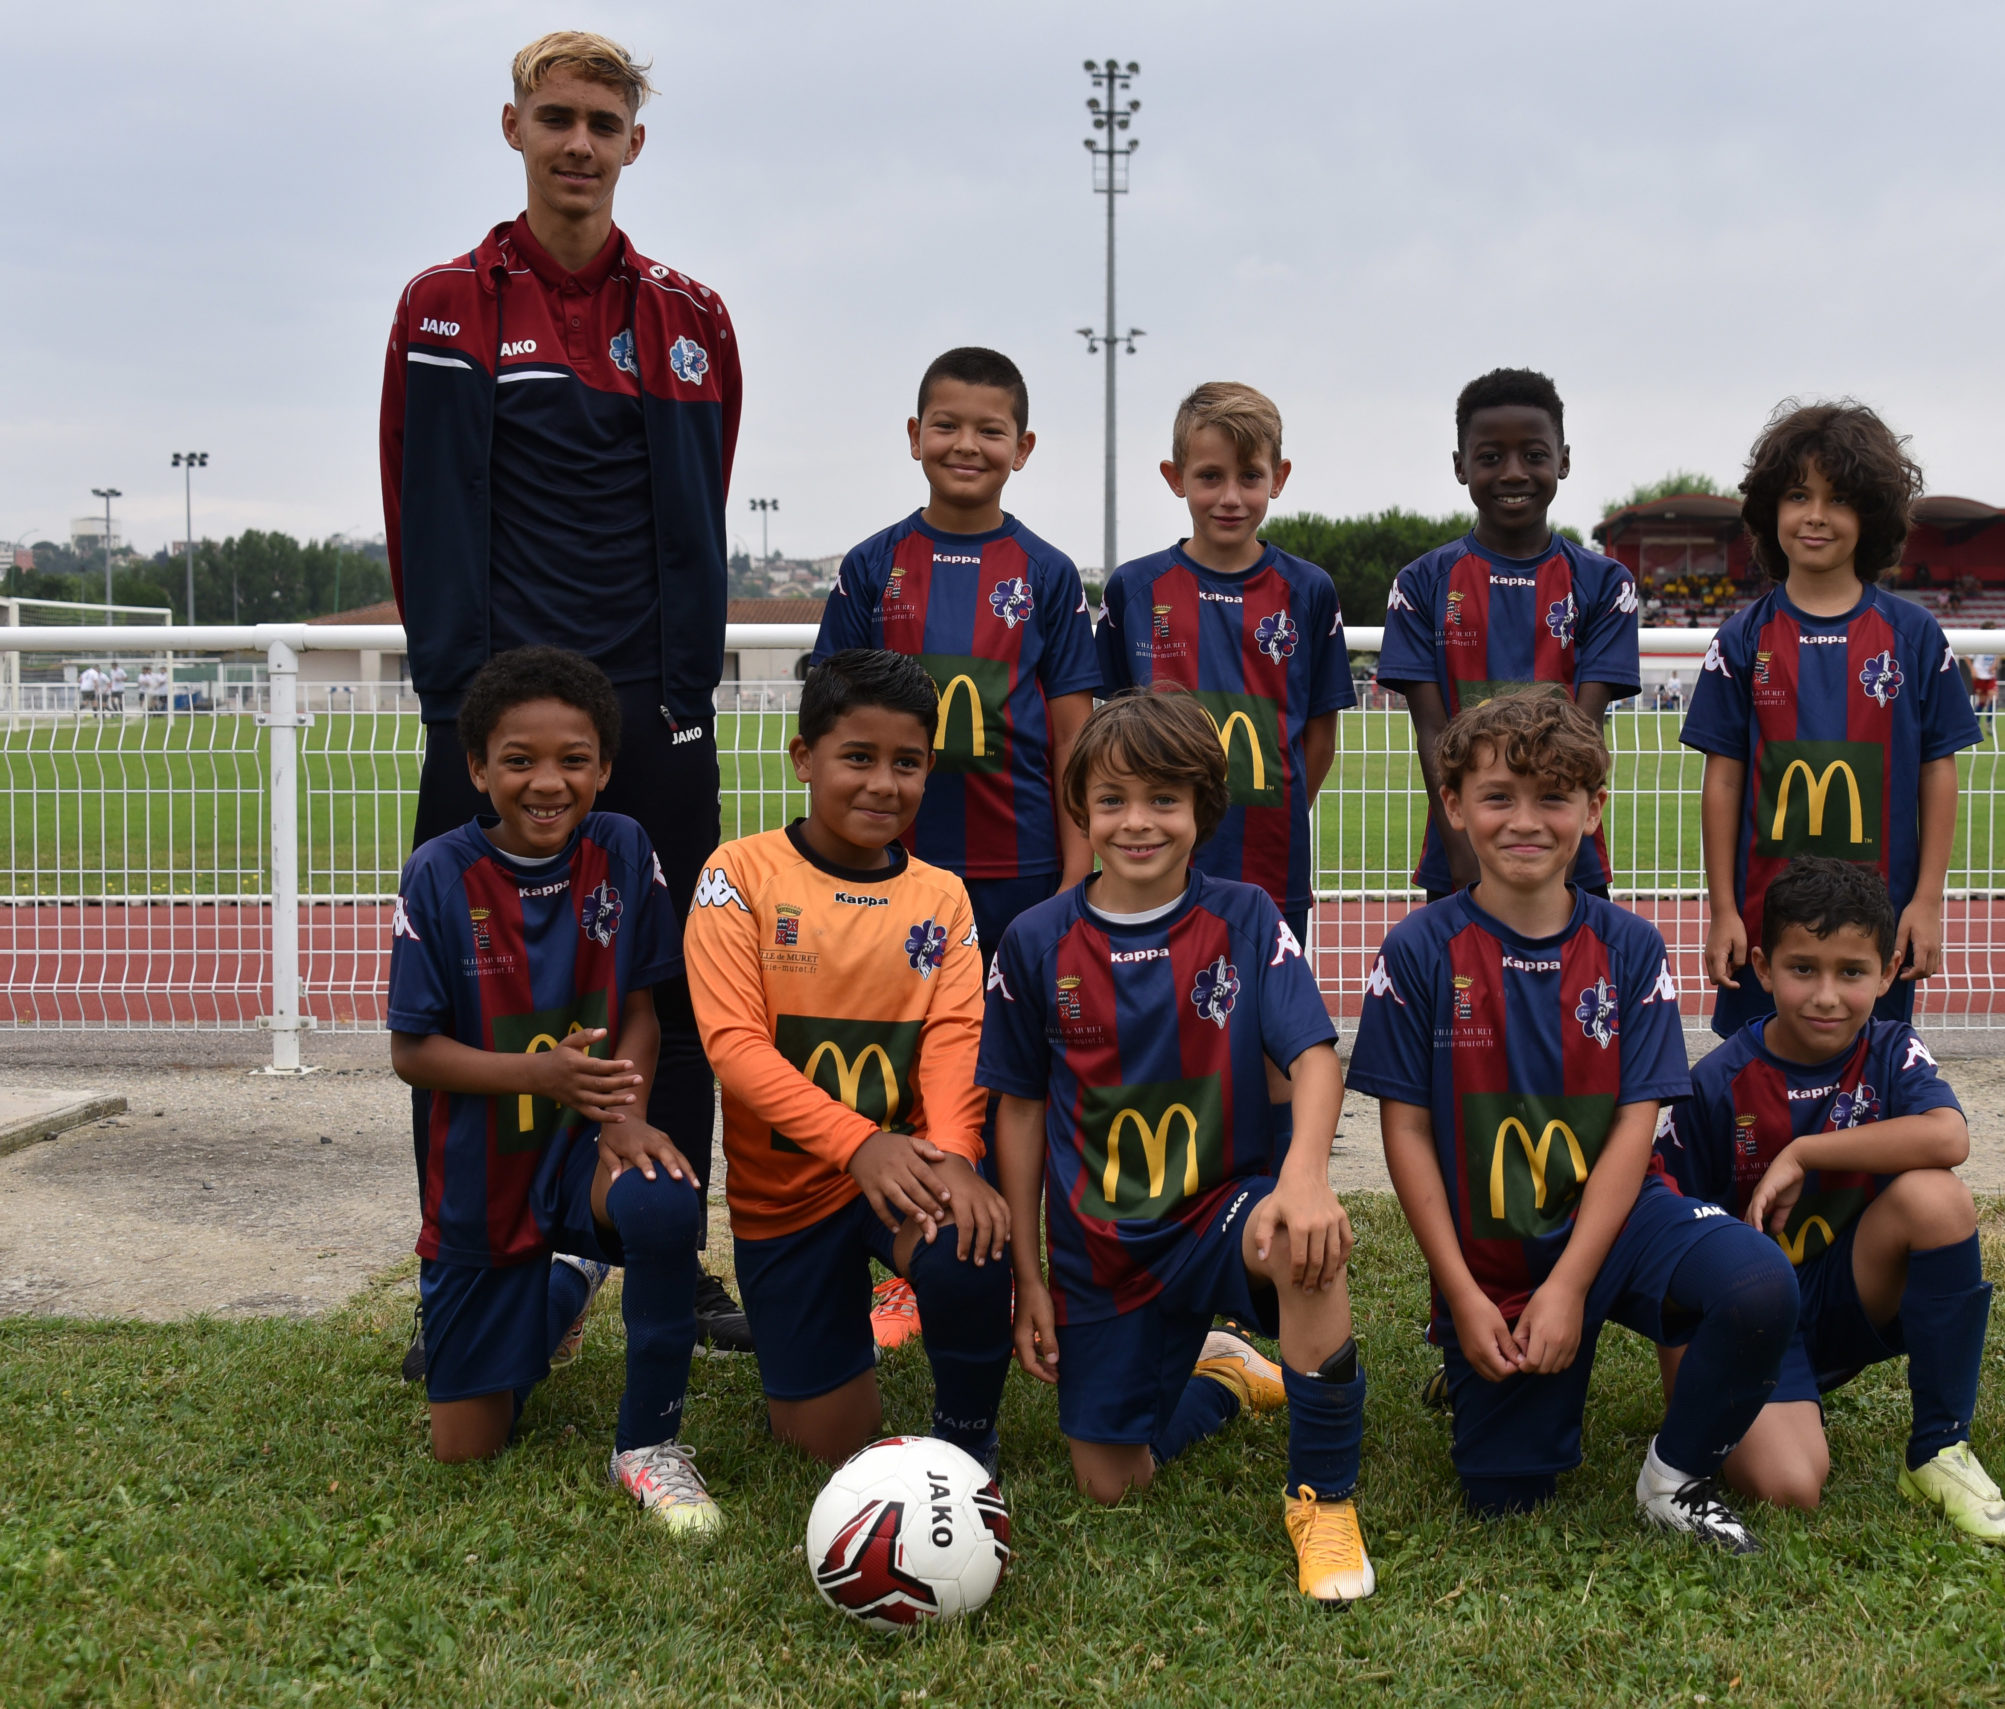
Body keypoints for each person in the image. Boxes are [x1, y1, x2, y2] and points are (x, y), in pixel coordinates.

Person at [382, 31, 750, 1363]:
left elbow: (700, 507)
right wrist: (461, 704)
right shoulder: (445, 305)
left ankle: (666, 1252)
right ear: (515, 130)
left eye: (603, 122)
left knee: (682, 990)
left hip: (652, 709)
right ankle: (469, 1272)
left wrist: (682, 685)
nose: (579, 142)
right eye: (557, 118)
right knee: (470, 999)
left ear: (633, 144)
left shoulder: (692, 317)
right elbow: (421, 500)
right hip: (497, 713)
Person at [1349, 693, 1796, 1543]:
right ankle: (1470, 1367)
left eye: (1553, 797)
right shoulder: (1417, 950)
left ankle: (1674, 1475)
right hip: (1494, 1253)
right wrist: (1462, 1294)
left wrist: (1568, 1286)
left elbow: (1634, 1125)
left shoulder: (1630, 947)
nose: (1526, 821)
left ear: (1593, 810)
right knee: (1506, 1495)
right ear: (1453, 805)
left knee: (1758, 1282)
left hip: (1619, 1222)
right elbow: (1405, 1132)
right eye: (1498, 796)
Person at [978, 690, 1374, 1602]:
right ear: (1081, 810)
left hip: (1219, 1212)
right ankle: (1225, 1376)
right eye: (1112, 799)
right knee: (1110, 1484)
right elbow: (1021, 1111)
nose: (1138, 821)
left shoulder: (1245, 916)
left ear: (1203, 808)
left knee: (1304, 1239)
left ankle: (1324, 1500)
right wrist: (1030, 1276)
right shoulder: (1036, 941)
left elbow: (1314, 1056)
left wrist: (1304, 1177)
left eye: (1164, 798)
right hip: (1101, 1248)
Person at [387, 647, 719, 1531]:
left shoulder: (623, 847)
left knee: (662, 1199)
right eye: (519, 759)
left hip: (586, 1152)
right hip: (482, 1177)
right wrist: (539, 1074)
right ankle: (568, 1281)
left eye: (574, 759)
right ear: (477, 768)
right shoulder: (438, 872)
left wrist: (622, 1118)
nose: (547, 781)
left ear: (604, 768)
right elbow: (412, 1051)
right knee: (468, 1445)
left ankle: (647, 1445)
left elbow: (641, 1012)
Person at [682, 650, 1015, 1471]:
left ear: (929, 768)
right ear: (804, 757)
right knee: (829, 1442)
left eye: (907, 763)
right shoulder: (738, 876)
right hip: (787, 1197)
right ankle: (841, 1329)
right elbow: (735, 1047)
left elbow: (955, 1039)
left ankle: (967, 1442)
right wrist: (858, 1142)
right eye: (858, 757)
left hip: (907, 1171)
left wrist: (957, 1155)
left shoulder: (942, 895)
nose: (883, 784)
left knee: (969, 1242)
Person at [1658, 857, 2005, 1543]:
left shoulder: (1892, 1049)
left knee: (1938, 1198)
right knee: (1792, 1487)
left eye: (1852, 972)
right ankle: (1766, 1404)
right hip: (1750, 1317)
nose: (1827, 996)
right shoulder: (1717, 1083)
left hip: (1843, 1294)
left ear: (1887, 974)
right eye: (1803, 969)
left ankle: (1939, 1448)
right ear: (1764, 968)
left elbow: (1949, 1136)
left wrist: (1805, 1152)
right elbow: (1666, 1230)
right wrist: (1687, 1376)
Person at [1684, 400, 1981, 1039]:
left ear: (1870, 515)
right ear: (1771, 508)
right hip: (1765, 917)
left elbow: (1938, 770)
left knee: (1870, 1063)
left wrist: (1927, 901)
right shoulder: (1741, 639)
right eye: (1798, 495)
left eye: (1839, 499)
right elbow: (1724, 780)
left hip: (1879, 919)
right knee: (1758, 1068)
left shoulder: (1914, 635)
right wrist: (1723, 910)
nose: (1816, 515)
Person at [812, 347, 1104, 958]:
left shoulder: (1049, 573)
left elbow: (1074, 740)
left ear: (1022, 448)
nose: (966, 445)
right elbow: (829, 725)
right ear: (915, 437)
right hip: (887, 857)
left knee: (1013, 1017)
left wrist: (1077, 874)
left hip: (1024, 866)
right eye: (946, 425)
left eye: (990, 431)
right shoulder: (870, 565)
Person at [1096, 383, 1354, 947]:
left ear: (1278, 478)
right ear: (1175, 478)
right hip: (1153, 857)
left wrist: (1274, 808)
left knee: (1267, 997)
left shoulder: (1309, 590)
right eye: (1210, 476)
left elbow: (1320, 737)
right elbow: (1113, 726)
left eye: (1250, 477)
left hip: (1272, 859)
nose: (1230, 497)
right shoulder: (1133, 588)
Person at [1376, 368, 1640, 902]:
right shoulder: (1420, 584)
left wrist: (1560, 857)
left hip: (1569, 855)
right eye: (1491, 457)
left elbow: (1585, 732)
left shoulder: (1606, 583)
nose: (1514, 473)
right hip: (1460, 853)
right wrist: (1462, 853)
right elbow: (1432, 731)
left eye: (1534, 455)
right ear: (1460, 466)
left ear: (1563, 461)